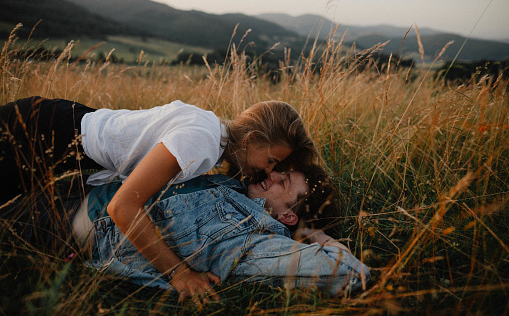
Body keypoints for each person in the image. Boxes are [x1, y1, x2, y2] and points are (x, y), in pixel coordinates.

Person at [0, 96, 318, 298]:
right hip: (33, 131)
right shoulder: (200, 141)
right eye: (272, 162)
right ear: (250, 140)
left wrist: (310, 231)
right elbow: (122, 207)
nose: (267, 172)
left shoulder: (214, 139)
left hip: (64, 145)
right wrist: (179, 273)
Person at [1, 165, 370, 305]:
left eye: (284, 183)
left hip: (75, 225)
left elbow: (350, 274)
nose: (272, 175)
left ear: (288, 214)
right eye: (280, 172)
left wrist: (316, 234)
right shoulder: (236, 185)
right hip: (79, 185)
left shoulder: (255, 236)